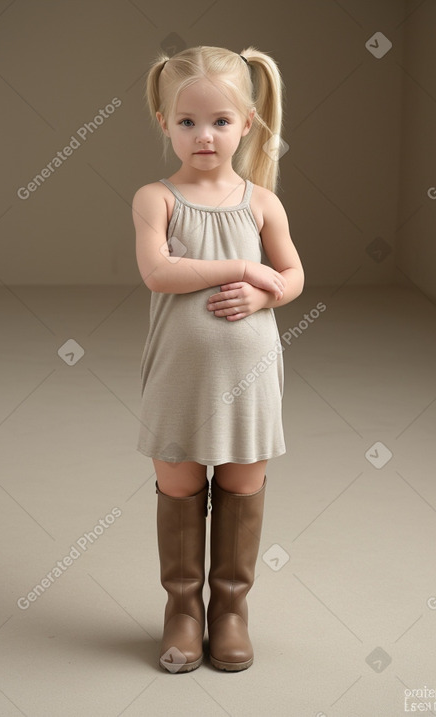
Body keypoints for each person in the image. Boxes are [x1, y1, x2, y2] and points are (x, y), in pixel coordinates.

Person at [132, 45, 304, 673]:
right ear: (164, 122)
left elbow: (293, 273)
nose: (204, 135)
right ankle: (183, 609)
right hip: (181, 378)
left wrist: (270, 289)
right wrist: (239, 266)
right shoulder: (157, 199)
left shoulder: (261, 202)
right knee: (178, 485)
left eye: (220, 121)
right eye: (187, 122)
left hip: (250, 378)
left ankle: (230, 610)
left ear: (248, 123)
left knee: (241, 484)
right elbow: (159, 271)